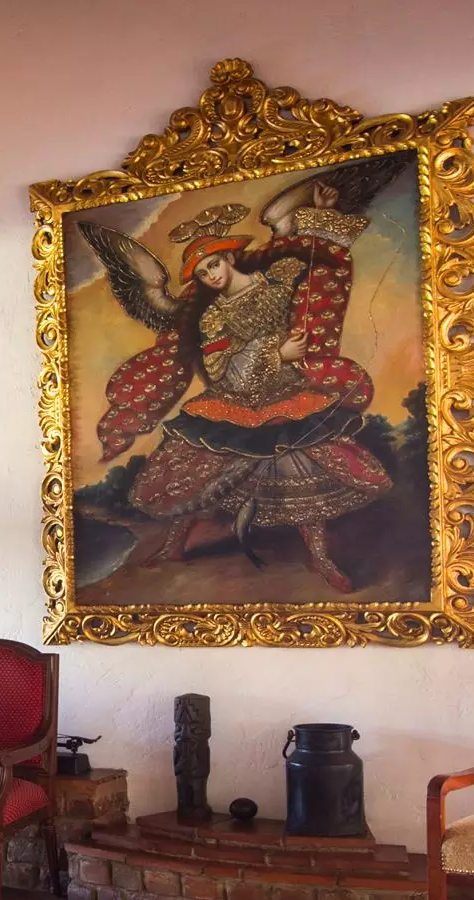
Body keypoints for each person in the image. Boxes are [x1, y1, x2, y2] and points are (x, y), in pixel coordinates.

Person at [79, 175, 393, 593]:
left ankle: (319, 558)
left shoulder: (280, 279)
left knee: (303, 481)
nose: (210, 275)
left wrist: (322, 214)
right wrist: (276, 354)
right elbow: (219, 367)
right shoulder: (213, 317)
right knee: (195, 475)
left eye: (213, 264)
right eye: (201, 272)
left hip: (287, 397)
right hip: (231, 401)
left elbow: (319, 267)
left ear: (229, 257)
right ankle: (173, 546)